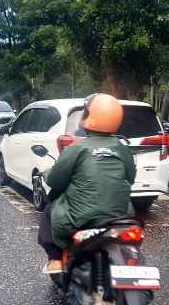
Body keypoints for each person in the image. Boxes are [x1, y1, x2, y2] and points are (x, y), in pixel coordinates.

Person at [37, 93, 136, 273]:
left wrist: (45, 174)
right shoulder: (122, 149)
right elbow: (131, 178)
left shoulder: (78, 148)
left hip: (81, 219)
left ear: (90, 117)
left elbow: (55, 180)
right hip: (120, 216)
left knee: (49, 212)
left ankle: (56, 260)